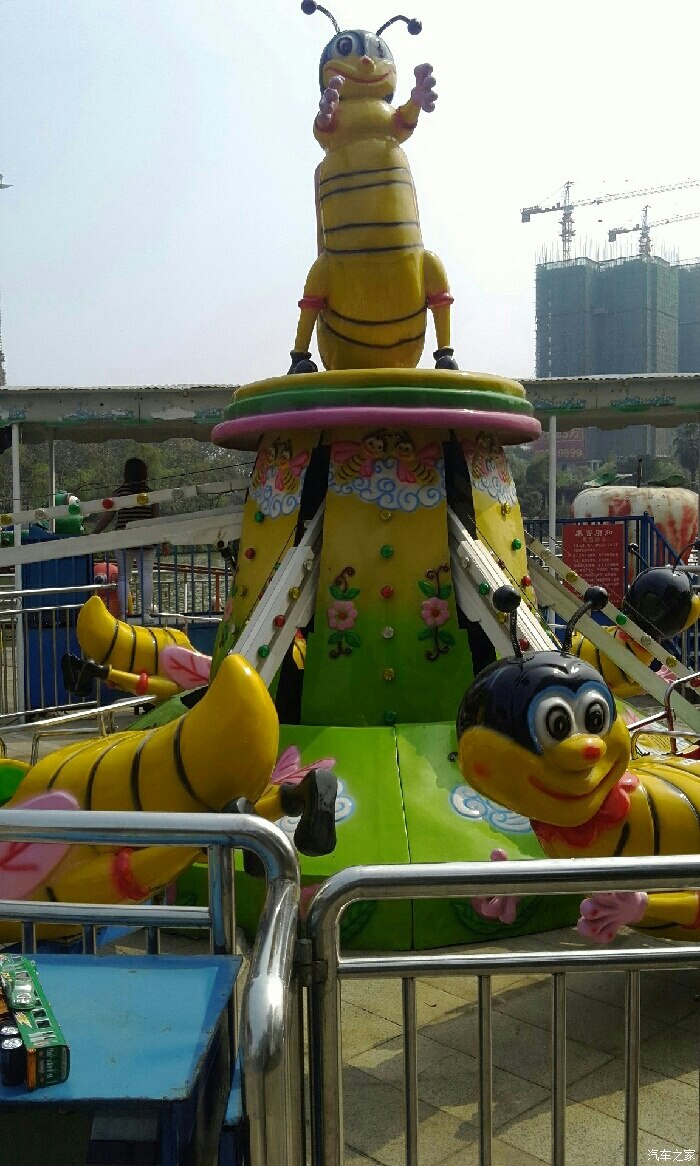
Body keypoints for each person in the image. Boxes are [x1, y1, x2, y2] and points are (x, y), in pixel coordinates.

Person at [94, 458, 159, 619]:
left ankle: (123, 615)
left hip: (123, 539)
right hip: (146, 539)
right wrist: (162, 540)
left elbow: (108, 517)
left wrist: (94, 533)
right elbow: (156, 519)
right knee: (146, 576)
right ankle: (146, 614)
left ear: (126, 474)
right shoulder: (151, 494)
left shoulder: (118, 493)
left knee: (124, 577)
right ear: (144, 474)